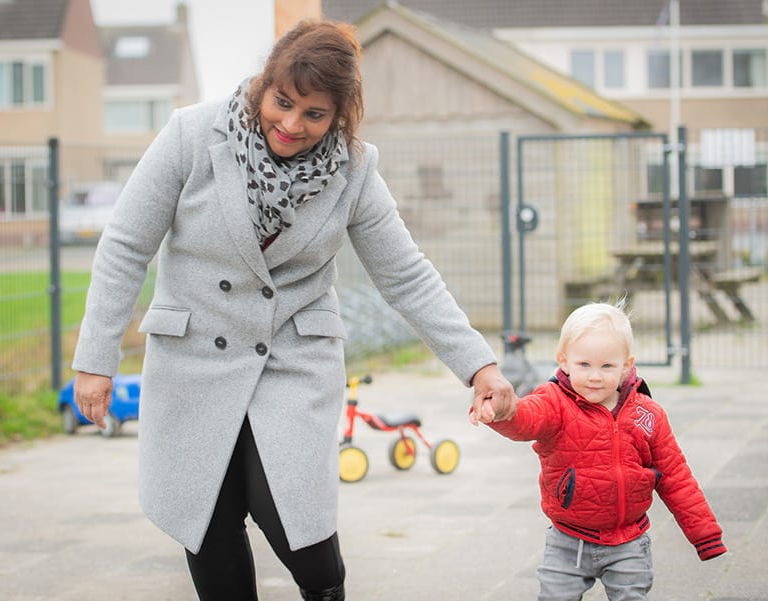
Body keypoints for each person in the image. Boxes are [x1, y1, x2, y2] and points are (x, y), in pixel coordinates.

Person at [71, 18, 515, 601]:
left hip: (292, 362)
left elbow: (406, 275)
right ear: (264, 83)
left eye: (314, 114)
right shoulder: (192, 135)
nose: (291, 124)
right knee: (209, 521)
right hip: (194, 358)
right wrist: (96, 358)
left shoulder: (354, 170)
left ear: (340, 115)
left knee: (296, 526)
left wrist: (479, 366)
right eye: (283, 102)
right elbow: (126, 245)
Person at [471, 301, 726, 601]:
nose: (595, 376)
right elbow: (526, 418)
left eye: (607, 366)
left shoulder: (647, 415)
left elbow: (676, 476)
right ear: (563, 361)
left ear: (626, 365)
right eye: (584, 365)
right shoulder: (555, 402)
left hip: (628, 540)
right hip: (568, 539)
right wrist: (502, 413)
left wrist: (705, 535)